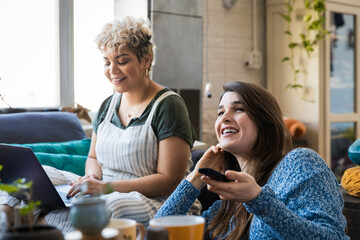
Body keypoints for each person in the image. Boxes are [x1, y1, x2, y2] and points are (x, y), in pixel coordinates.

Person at [0, 16, 199, 232]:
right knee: (33, 177)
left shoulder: (168, 105)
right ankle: (7, 218)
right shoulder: (107, 105)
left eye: (122, 60)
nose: (112, 70)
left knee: (109, 205)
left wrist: (107, 187)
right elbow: (93, 157)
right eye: (107, 61)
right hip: (104, 188)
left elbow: (170, 180)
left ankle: (37, 226)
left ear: (146, 59)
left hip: (157, 201)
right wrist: (93, 178)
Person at [154, 81, 349, 239]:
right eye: (220, 112)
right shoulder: (226, 205)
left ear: (265, 122)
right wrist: (195, 178)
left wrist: (258, 199)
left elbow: (331, 237)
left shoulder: (300, 163)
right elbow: (160, 230)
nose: (225, 118)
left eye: (238, 109)